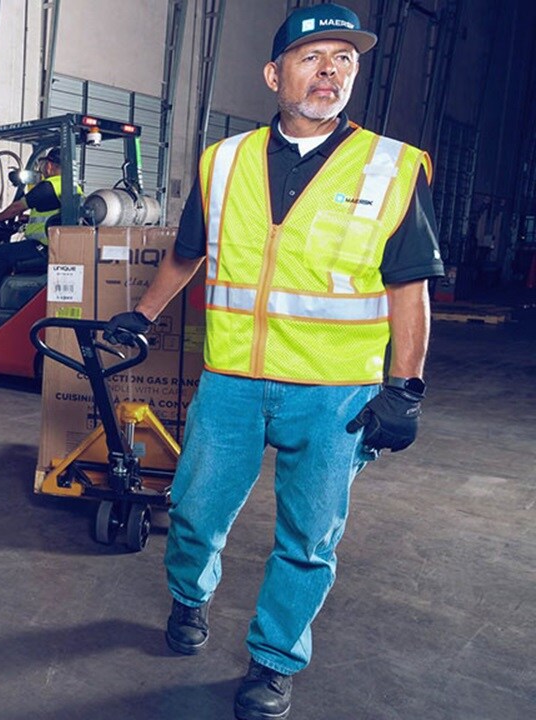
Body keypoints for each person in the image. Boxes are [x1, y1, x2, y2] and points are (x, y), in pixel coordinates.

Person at [106, 4, 443, 719]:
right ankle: (190, 599)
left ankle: (273, 660)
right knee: (194, 515)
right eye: (313, 57)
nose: (331, 72)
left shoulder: (393, 166)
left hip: (335, 395)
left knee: (309, 540)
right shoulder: (222, 160)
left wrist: (405, 387)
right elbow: (189, 252)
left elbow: (408, 289)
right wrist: (145, 312)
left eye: (345, 60)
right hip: (231, 382)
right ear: (273, 73)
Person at [0, 148, 79, 303]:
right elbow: (58, 214)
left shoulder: (49, 186)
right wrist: (27, 218)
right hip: (57, 248)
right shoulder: (72, 187)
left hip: (44, 248)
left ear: (49, 166)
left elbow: (18, 206)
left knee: (0, 253)